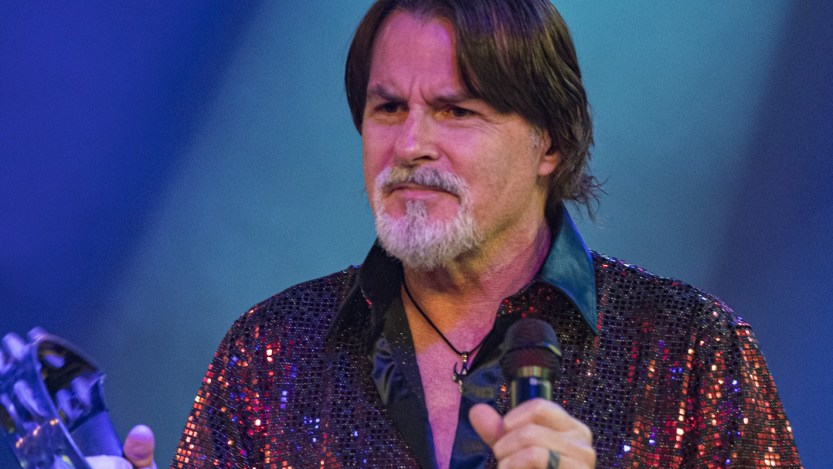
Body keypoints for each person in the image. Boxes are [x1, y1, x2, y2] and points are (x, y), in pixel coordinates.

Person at [95, 0, 802, 467]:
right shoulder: (271, 350)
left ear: (548, 144)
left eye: (455, 110)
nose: (409, 143)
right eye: (388, 107)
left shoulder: (690, 348)